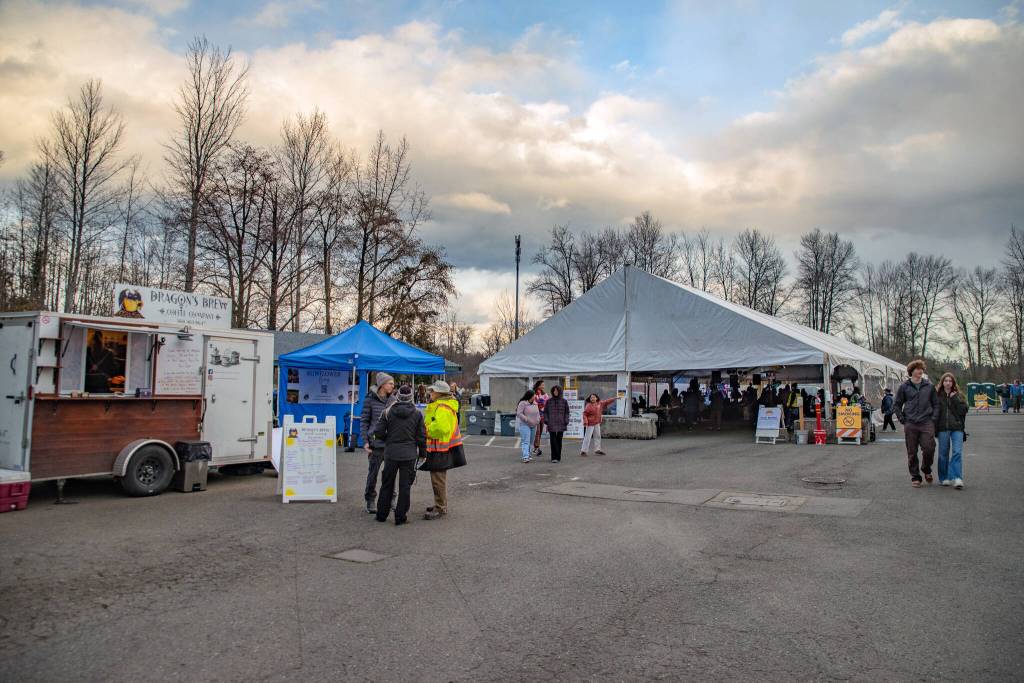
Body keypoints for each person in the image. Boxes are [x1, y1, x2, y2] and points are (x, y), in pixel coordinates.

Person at [373, 385, 427, 525]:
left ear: (397, 396)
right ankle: (400, 516)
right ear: (411, 397)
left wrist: (388, 439)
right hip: (409, 454)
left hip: (391, 453)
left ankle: (381, 514)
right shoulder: (417, 413)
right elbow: (421, 436)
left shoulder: (388, 411)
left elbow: (378, 432)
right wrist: (422, 453)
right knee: (405, 486)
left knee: (387, 484)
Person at [421, 380, 466, 520]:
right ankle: (440, 504)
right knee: (438, 478)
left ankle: (440, 508)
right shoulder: (442, 405)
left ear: (440, 393)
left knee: (438, 479)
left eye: (433, 391)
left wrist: (425, 430)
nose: (431, 393)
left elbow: (440, 428)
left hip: (439, 448)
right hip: (439, 448)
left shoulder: (443, 407)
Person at [894, 359, 939, 488]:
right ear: (911, 371)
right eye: (917, 369)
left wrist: (934, 418)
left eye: (921, 369)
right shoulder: (904, 387)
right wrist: (902, 419)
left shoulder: (929, 386)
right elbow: (897, 404)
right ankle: (915, 476)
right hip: (911, 423)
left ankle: (926, 468)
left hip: (926, 422)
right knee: (912, 451)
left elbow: (936, 404)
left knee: (929, 447)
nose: (920, 371)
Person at [360, 372, 395, 514]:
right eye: (390, 383)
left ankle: (391, 498)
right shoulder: (370, 400)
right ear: (382, 385)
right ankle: (370, 499)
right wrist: (365, 441)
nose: (393, 386)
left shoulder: (393, 400)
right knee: (373, 474)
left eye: (393, 383)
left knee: (390, 473)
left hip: (391, 443)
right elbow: (364, 421)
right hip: (375, 444)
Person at [935, 373, 967, 490]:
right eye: (946, 380)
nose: (948, 383)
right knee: (943, 454)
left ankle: (957, 478)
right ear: (942, 382)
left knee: (957, 452)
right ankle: (944, 478)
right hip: (942, 428)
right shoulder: (937, 395)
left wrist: (954, 398)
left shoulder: (959, 395)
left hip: (957, 428)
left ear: (953, 383)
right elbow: (934, 412)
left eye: (950, 381)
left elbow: (963, 410)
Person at [543, 385, 570, 463]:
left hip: (561, 422)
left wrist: (566, 420)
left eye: (557, 391)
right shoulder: (549, 401)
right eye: (554, 391)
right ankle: (553, 457)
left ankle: (558, 457)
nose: (555, 392)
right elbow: (545, 412)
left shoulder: (564, 401)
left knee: (559, 440)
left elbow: (567, 412)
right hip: (551, 422)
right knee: (553, 440)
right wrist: (546, 420)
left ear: (560, 391)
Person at [516, 390, 540, 463]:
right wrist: (526, 419)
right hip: (525, 425)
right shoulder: (523, 403)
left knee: (531, 441)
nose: (535, 396)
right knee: (525, 441)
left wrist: (538, 419)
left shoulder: (535, 404)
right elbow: (519, 413)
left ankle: (529, 455)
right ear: (530, 396)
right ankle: (525, 457)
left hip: (534, 425)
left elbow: (538, 413)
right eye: (534, 395)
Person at [531, 380, 548, 457]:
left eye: (544, 384)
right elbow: (532, 402)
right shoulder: (533, 394)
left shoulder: (544, 394)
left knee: (540, 432)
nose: (543, 385)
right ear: (538, 385)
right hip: (535, 415)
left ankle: (536, 446)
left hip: (542, 415)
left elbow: (547, 402)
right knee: (537, 432)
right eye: (542, 384)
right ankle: (536, 448)